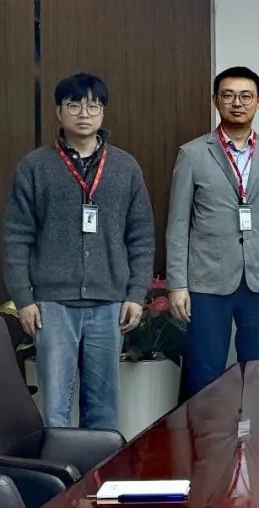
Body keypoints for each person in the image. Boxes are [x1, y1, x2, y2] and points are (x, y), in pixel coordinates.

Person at [3, 73, 154, 428]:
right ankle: (57, 466)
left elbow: (142, 237)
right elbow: (16, 238)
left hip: (109, 302)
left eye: (93, 105)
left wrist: (136, 294)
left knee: (104, 408)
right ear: (59, 111)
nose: (83, 113)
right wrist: (23, 299)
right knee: (55, 408)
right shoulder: (34, 167)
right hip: (52, 304)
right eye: (73, 105)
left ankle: (100, 466)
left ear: (103, 112)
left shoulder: (125, 167)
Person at [166, 66, 259, 395]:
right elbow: (178, 224)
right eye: (228, 95)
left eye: (245, 96)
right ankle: (204, 430)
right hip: (207, 280)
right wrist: (177, 284)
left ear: (258, 102)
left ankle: (256, 429)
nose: (237, 103)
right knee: (204, 370)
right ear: (215, 100)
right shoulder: (192, 154)